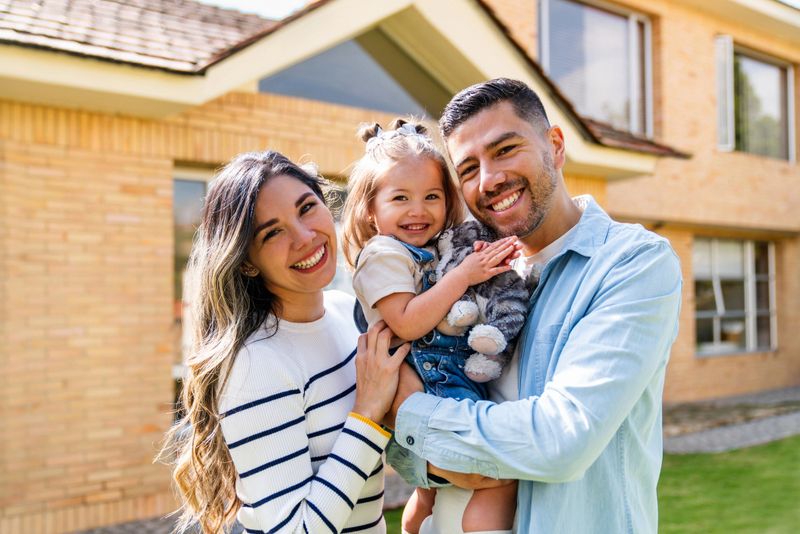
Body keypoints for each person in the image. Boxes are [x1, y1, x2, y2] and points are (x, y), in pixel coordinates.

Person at [386, 78, 683, 534]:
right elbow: (411, 456)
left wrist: (409, 413)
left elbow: (560, 440)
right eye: (467, 169)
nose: (489, 180)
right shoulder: (462, 272)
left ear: (556, 146)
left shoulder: (631, 263)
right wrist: (433, 461)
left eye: (505, 150)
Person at [159, 151, 408, 533]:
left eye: (307, 208)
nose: (305, 237)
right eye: (273, 232)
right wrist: (368, 414)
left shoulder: (348, 313)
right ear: (246, 262)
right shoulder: (257, 363)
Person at [341, 119, 519, 534]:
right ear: (371, 209)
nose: (418, 210)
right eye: (400, 198)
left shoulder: (425, 252)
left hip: (430, 399)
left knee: (428, 493)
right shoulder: (383, 254)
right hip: (433, 395)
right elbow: (404, 322)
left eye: (431, 196)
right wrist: (463, 277)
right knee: (498, 481)